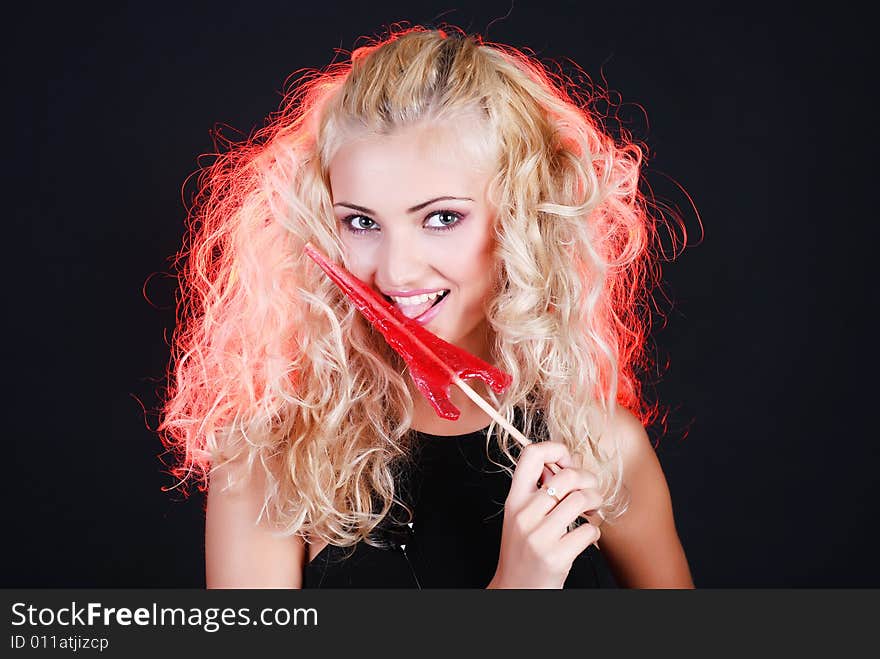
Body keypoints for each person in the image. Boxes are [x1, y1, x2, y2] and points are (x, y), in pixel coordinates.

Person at [159, 25, 694, 588]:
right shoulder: (270, 462)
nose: (394, 272)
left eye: (441, 218)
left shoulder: (602, 449)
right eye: (361, 223)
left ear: (522, 220)